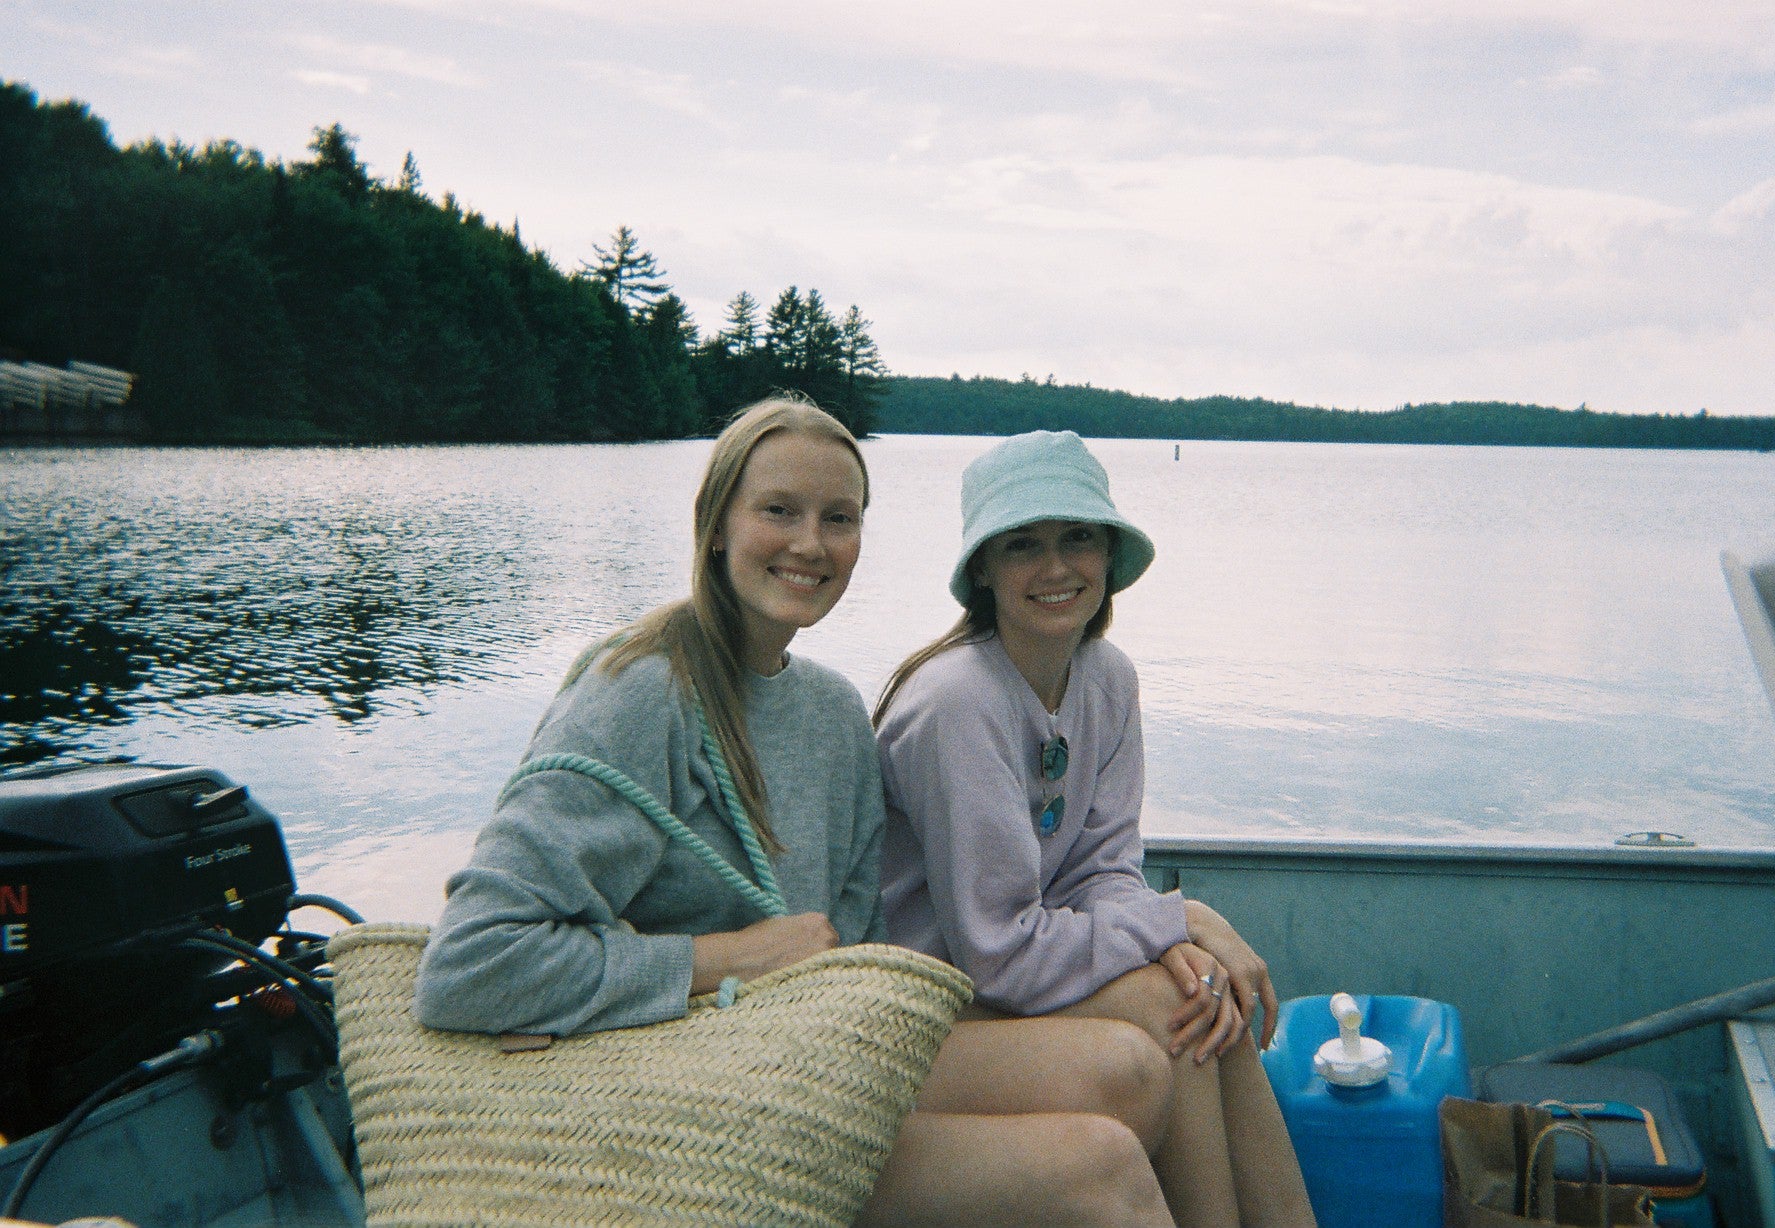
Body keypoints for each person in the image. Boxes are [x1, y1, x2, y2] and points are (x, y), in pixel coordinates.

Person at [414, 399, 1183, 1227]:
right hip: (679, 1105)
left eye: (838, 519)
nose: (810, 544)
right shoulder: (638, 692)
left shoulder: (833, 712)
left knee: (1132, 1073)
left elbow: (853, 950)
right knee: (1100, 1170)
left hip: (801, 1066)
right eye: (779, 511)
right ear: (717, 525)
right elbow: (469, 965)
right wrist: (727, 957)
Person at [873, 430, 1317, 1228]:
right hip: (928, 1002)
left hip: (1014, 977)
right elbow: (998, 953)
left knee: (1195, 994)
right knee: (1172, 1013)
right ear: (983, 568)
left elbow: (1100, 868)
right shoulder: (957, 703)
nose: (1055, 567)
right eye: (1023, 544)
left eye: (1077, 537)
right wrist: (1181, 919)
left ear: (1109, 554)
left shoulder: (1107, 679)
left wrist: (1165, 940)